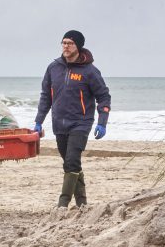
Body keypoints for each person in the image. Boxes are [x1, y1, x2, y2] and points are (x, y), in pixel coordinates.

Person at [34, 30, 111, 208]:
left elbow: (104, 97)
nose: (66, 46)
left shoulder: (90, 71)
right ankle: (82, 203)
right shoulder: (53, 68)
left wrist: (102, 122)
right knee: (70, 164)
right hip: (59, 124)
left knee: (72, 161)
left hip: (81, 123)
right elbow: (46, 96)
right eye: (64, 42)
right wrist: (38, 121)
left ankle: (63, 204)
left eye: (70, 43)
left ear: (78, 46)